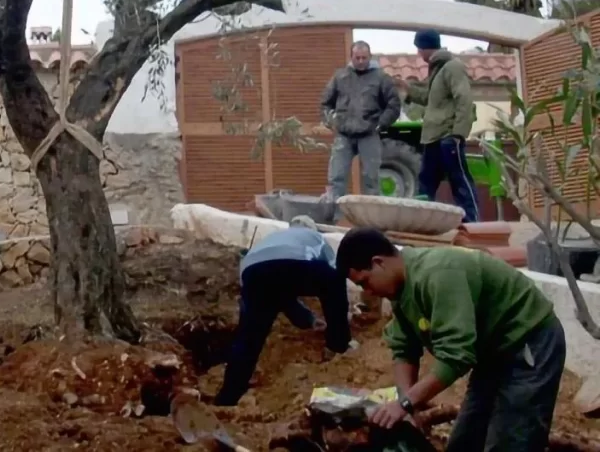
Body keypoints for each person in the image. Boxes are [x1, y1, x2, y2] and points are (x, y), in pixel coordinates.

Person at [335, 227, 565, 451]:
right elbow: (404, 349)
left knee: (513, 440)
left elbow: (456, 357)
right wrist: (407, 406)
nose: (368, 292)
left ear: (379, 262)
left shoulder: (438, 273)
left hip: (529, 342)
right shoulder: (401, 290)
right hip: (492, 353)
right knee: (465, 442)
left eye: (365, 282)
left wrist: (405, 403)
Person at [214, 215, 355, 406]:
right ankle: (338, 346)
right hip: (295, 263)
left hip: (252, 272)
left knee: (248, 338)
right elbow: (333, 272)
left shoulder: (270, 240)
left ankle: (228, 395)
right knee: (334, 282)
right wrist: (341, 316)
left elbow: (281, 297)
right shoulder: (315, 237)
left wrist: (309, 320)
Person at [396, 28, 479, 222]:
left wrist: (458, 134)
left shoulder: (452, 67)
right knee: (426, 182)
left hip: (448, 136)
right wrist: (407, 88)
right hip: (432, 136)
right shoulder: (438, 69)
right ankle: (425, 222)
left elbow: (464, 99)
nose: (418, 54)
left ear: (425, 47)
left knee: (459, 181)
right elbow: (428, 99)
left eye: (419, 49)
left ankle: (473, 222)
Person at [320, 40, 401, 199]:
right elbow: (325, 103)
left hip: (369, 134)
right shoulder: (340, 76)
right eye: (357, 58)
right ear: (351, 57)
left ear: (370, 57)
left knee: (371, 180)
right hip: (344, 135)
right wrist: (332, 121)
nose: (361, 61)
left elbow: (394, 105)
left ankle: (372, 220)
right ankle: (333, 217)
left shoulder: (381, 78)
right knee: (336, 178)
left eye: (364, 57)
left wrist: (381, 124)